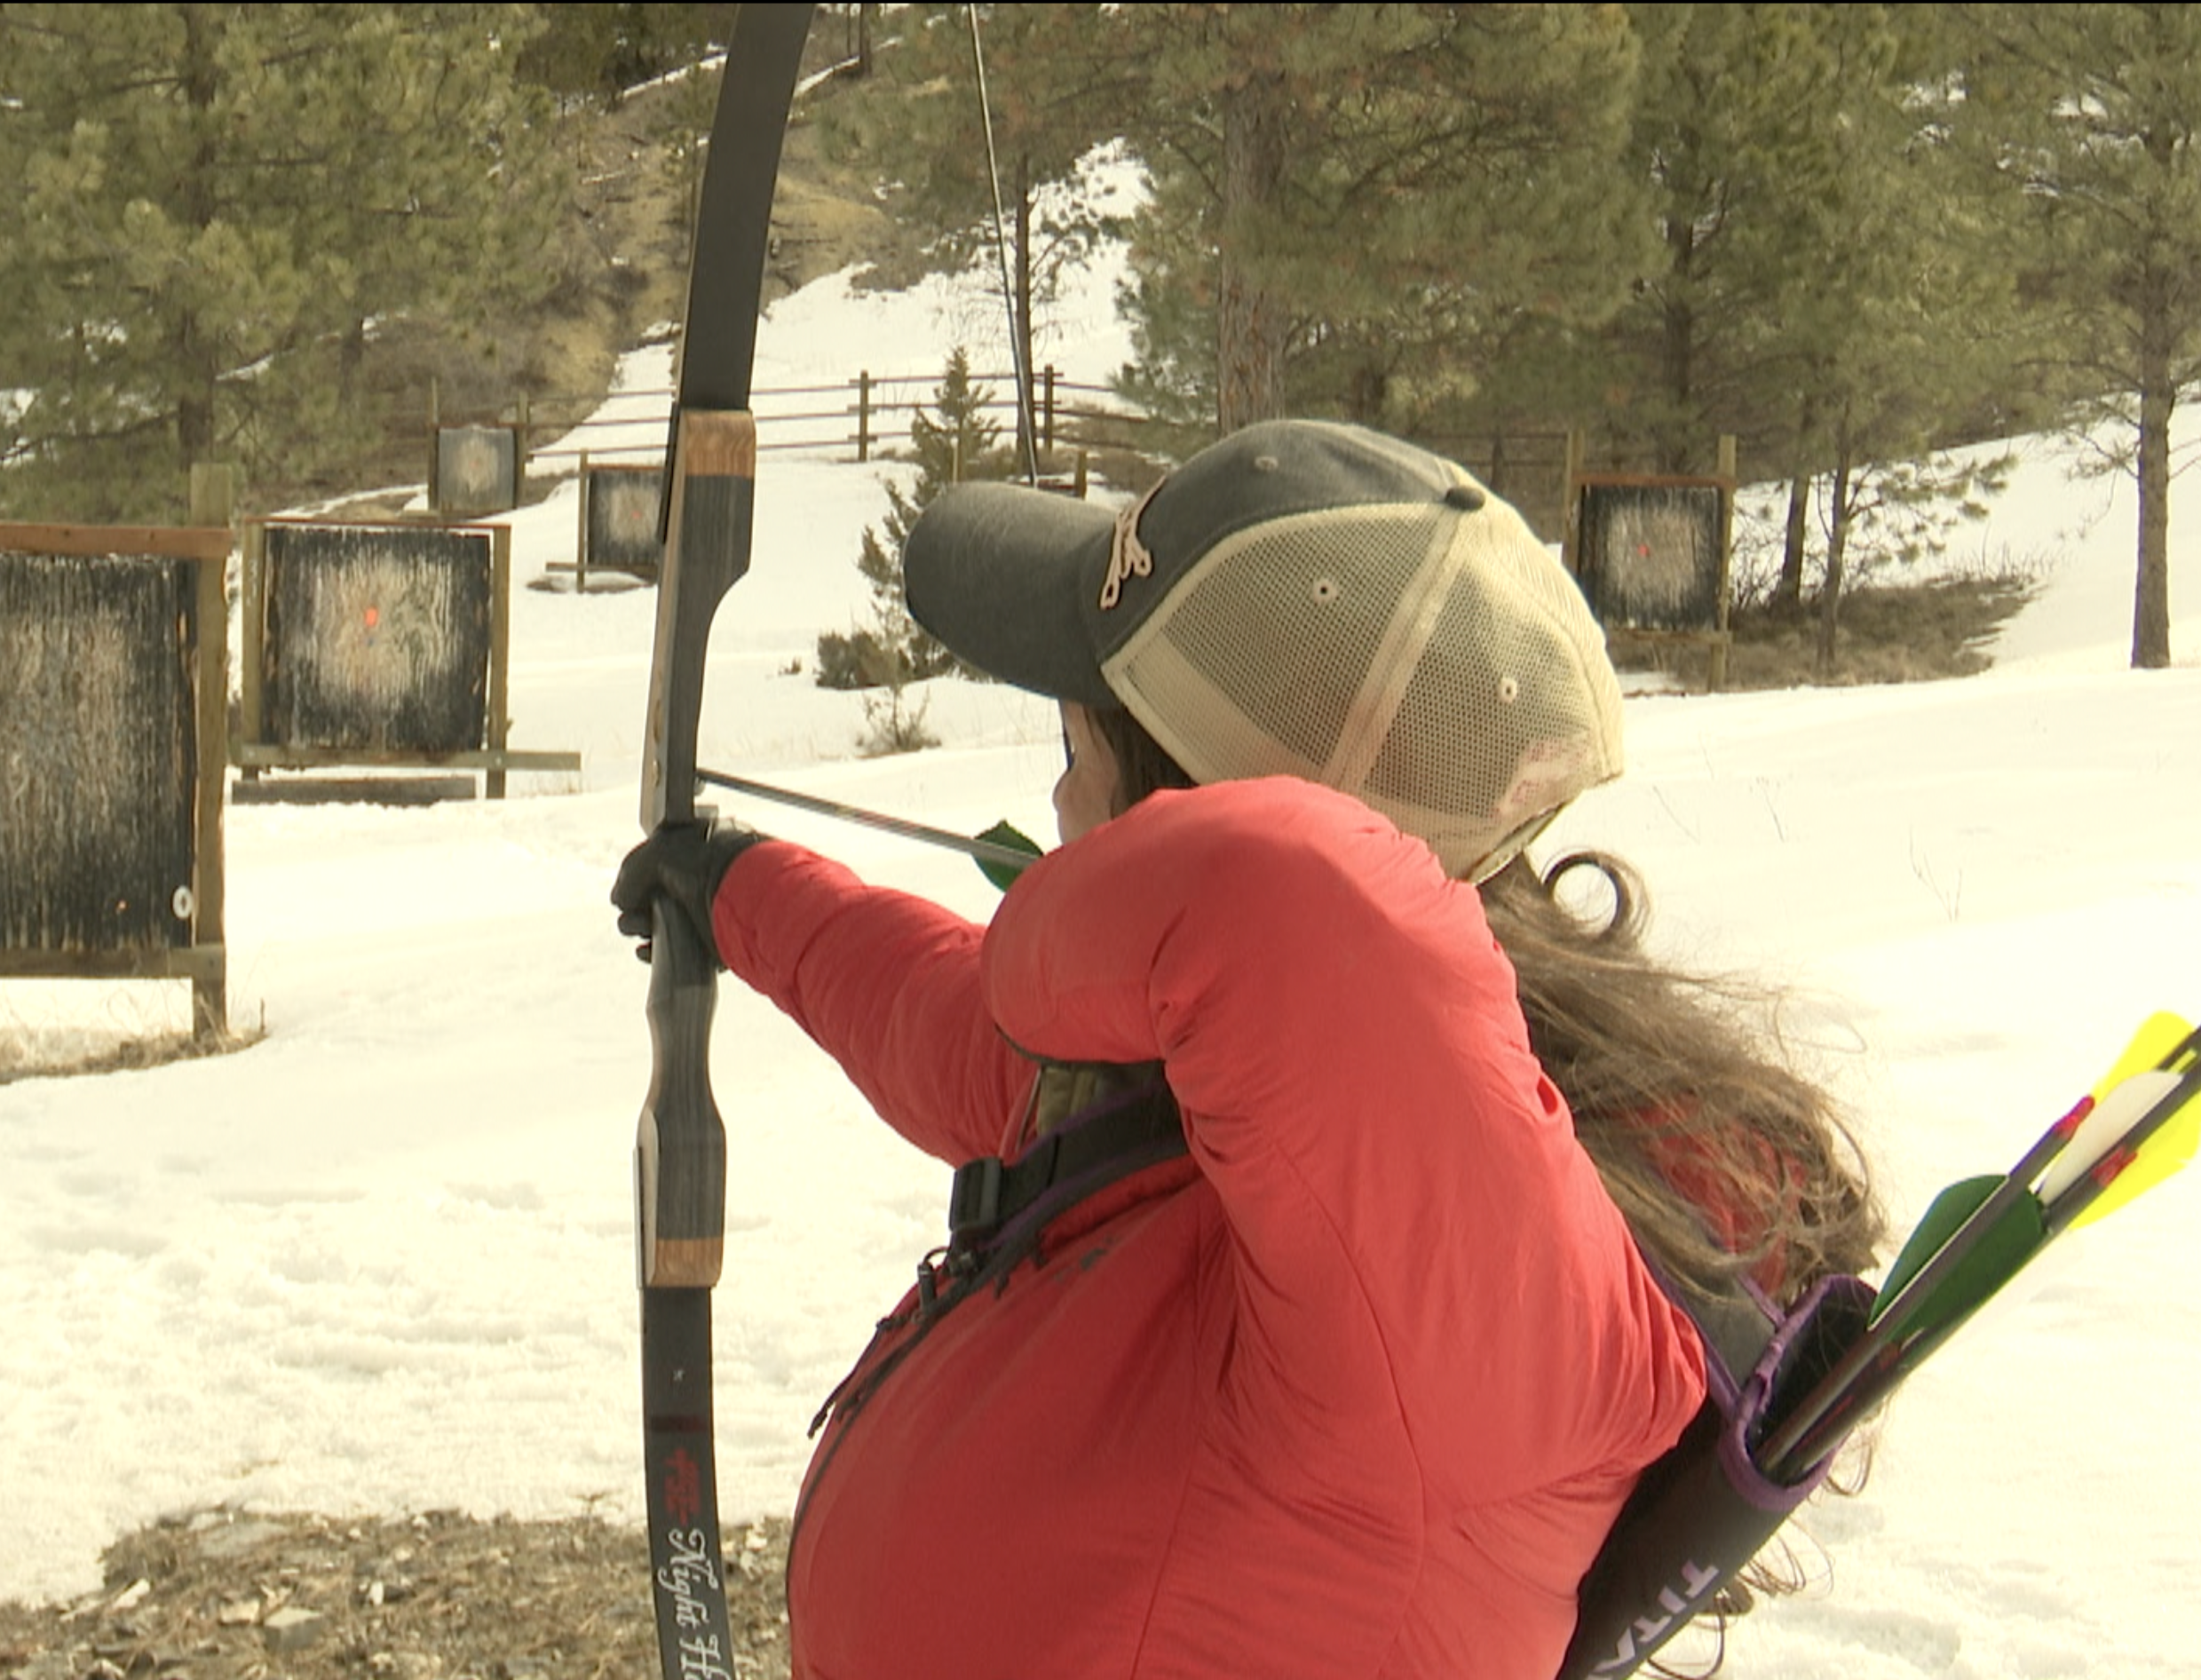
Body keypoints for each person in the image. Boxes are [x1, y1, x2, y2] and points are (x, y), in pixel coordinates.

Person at [610, 419, 1880, 1678]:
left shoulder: (1466, 1294)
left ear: (1182, 816)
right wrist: (741, 892)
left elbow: (1289, 903)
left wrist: (1046, 934)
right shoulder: (1280, 1117)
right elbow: (961, 1031)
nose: (1056, 802)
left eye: (1078, 747)